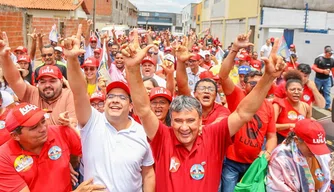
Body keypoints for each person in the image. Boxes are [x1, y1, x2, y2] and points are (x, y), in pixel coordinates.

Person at [122, 29, 285, 191]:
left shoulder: (214, 136)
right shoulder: (163, 137)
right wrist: (133, 68)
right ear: (171, 121)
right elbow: (143, 109)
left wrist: (268, 78)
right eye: (178, 121)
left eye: (190, 120)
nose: (184, 127)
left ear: (201, 121)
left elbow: (244, 113)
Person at [63, 25, 155, 192]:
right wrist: (71, 59)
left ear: (131, 105)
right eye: (110, 97)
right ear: (104, 103)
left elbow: (148, 173)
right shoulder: (91, 123)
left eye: (122, 98)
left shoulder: (142, 133)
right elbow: (79, 93)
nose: (115, 101)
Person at [219, 31, 277, 192]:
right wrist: (235, 49)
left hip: (254, 163)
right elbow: (223, 76)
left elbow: (271, 135)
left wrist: (268, 152)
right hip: (231, 162)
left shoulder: (269, 106)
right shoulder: (237, 95)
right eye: (252, 83)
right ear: (244, 85)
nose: (257, 87)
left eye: (260, 84)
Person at [0, 102, 104, 191]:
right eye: (34, 127)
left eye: (43, 121)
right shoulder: (3, 158)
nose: (43, 129)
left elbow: (98, 153)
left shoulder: (61, 132)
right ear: (15, 136)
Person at [266, 119, 331, 191]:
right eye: (310, 147)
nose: (314, 152)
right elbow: (276, 188)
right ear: (296, 140)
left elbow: (326, 184)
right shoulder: (280, 158)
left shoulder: (321, 154)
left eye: (318, 147)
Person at [273, 71, 312, 143]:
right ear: (286, 91)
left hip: (299, 142)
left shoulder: (306, 107)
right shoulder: (278, 105)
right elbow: (271, 126)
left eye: (299, 89)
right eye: (292, 89)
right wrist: (290, 125)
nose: (296, 92)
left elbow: (308, 126)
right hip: (279, 140)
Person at [312, 47, 334, 111]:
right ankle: (314, 101)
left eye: (331, 53)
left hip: (327, 79)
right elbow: (313, 67)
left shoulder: (332, 60)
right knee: (316, 91)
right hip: (319, 78)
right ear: (325, 53)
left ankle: (327, 106)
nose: (330, 55)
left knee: (327, 92)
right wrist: (322, 71)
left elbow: (332, 69)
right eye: (329, 53)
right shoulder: (319, 59)